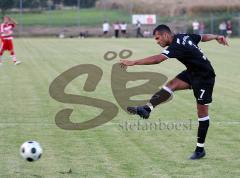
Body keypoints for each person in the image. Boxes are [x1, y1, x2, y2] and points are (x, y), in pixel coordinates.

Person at [120, 24, 228, 160]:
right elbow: (203, 37)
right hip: (192, 72)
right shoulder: (184, 36)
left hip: (204, 77)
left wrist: (134, 62)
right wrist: (217, 37)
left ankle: (200, 149)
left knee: (202, 112)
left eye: (158, 38)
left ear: (166, 35)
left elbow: (157, 60)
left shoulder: (177, 45)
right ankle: (147, 109)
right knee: (171, 85)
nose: (157, 41)